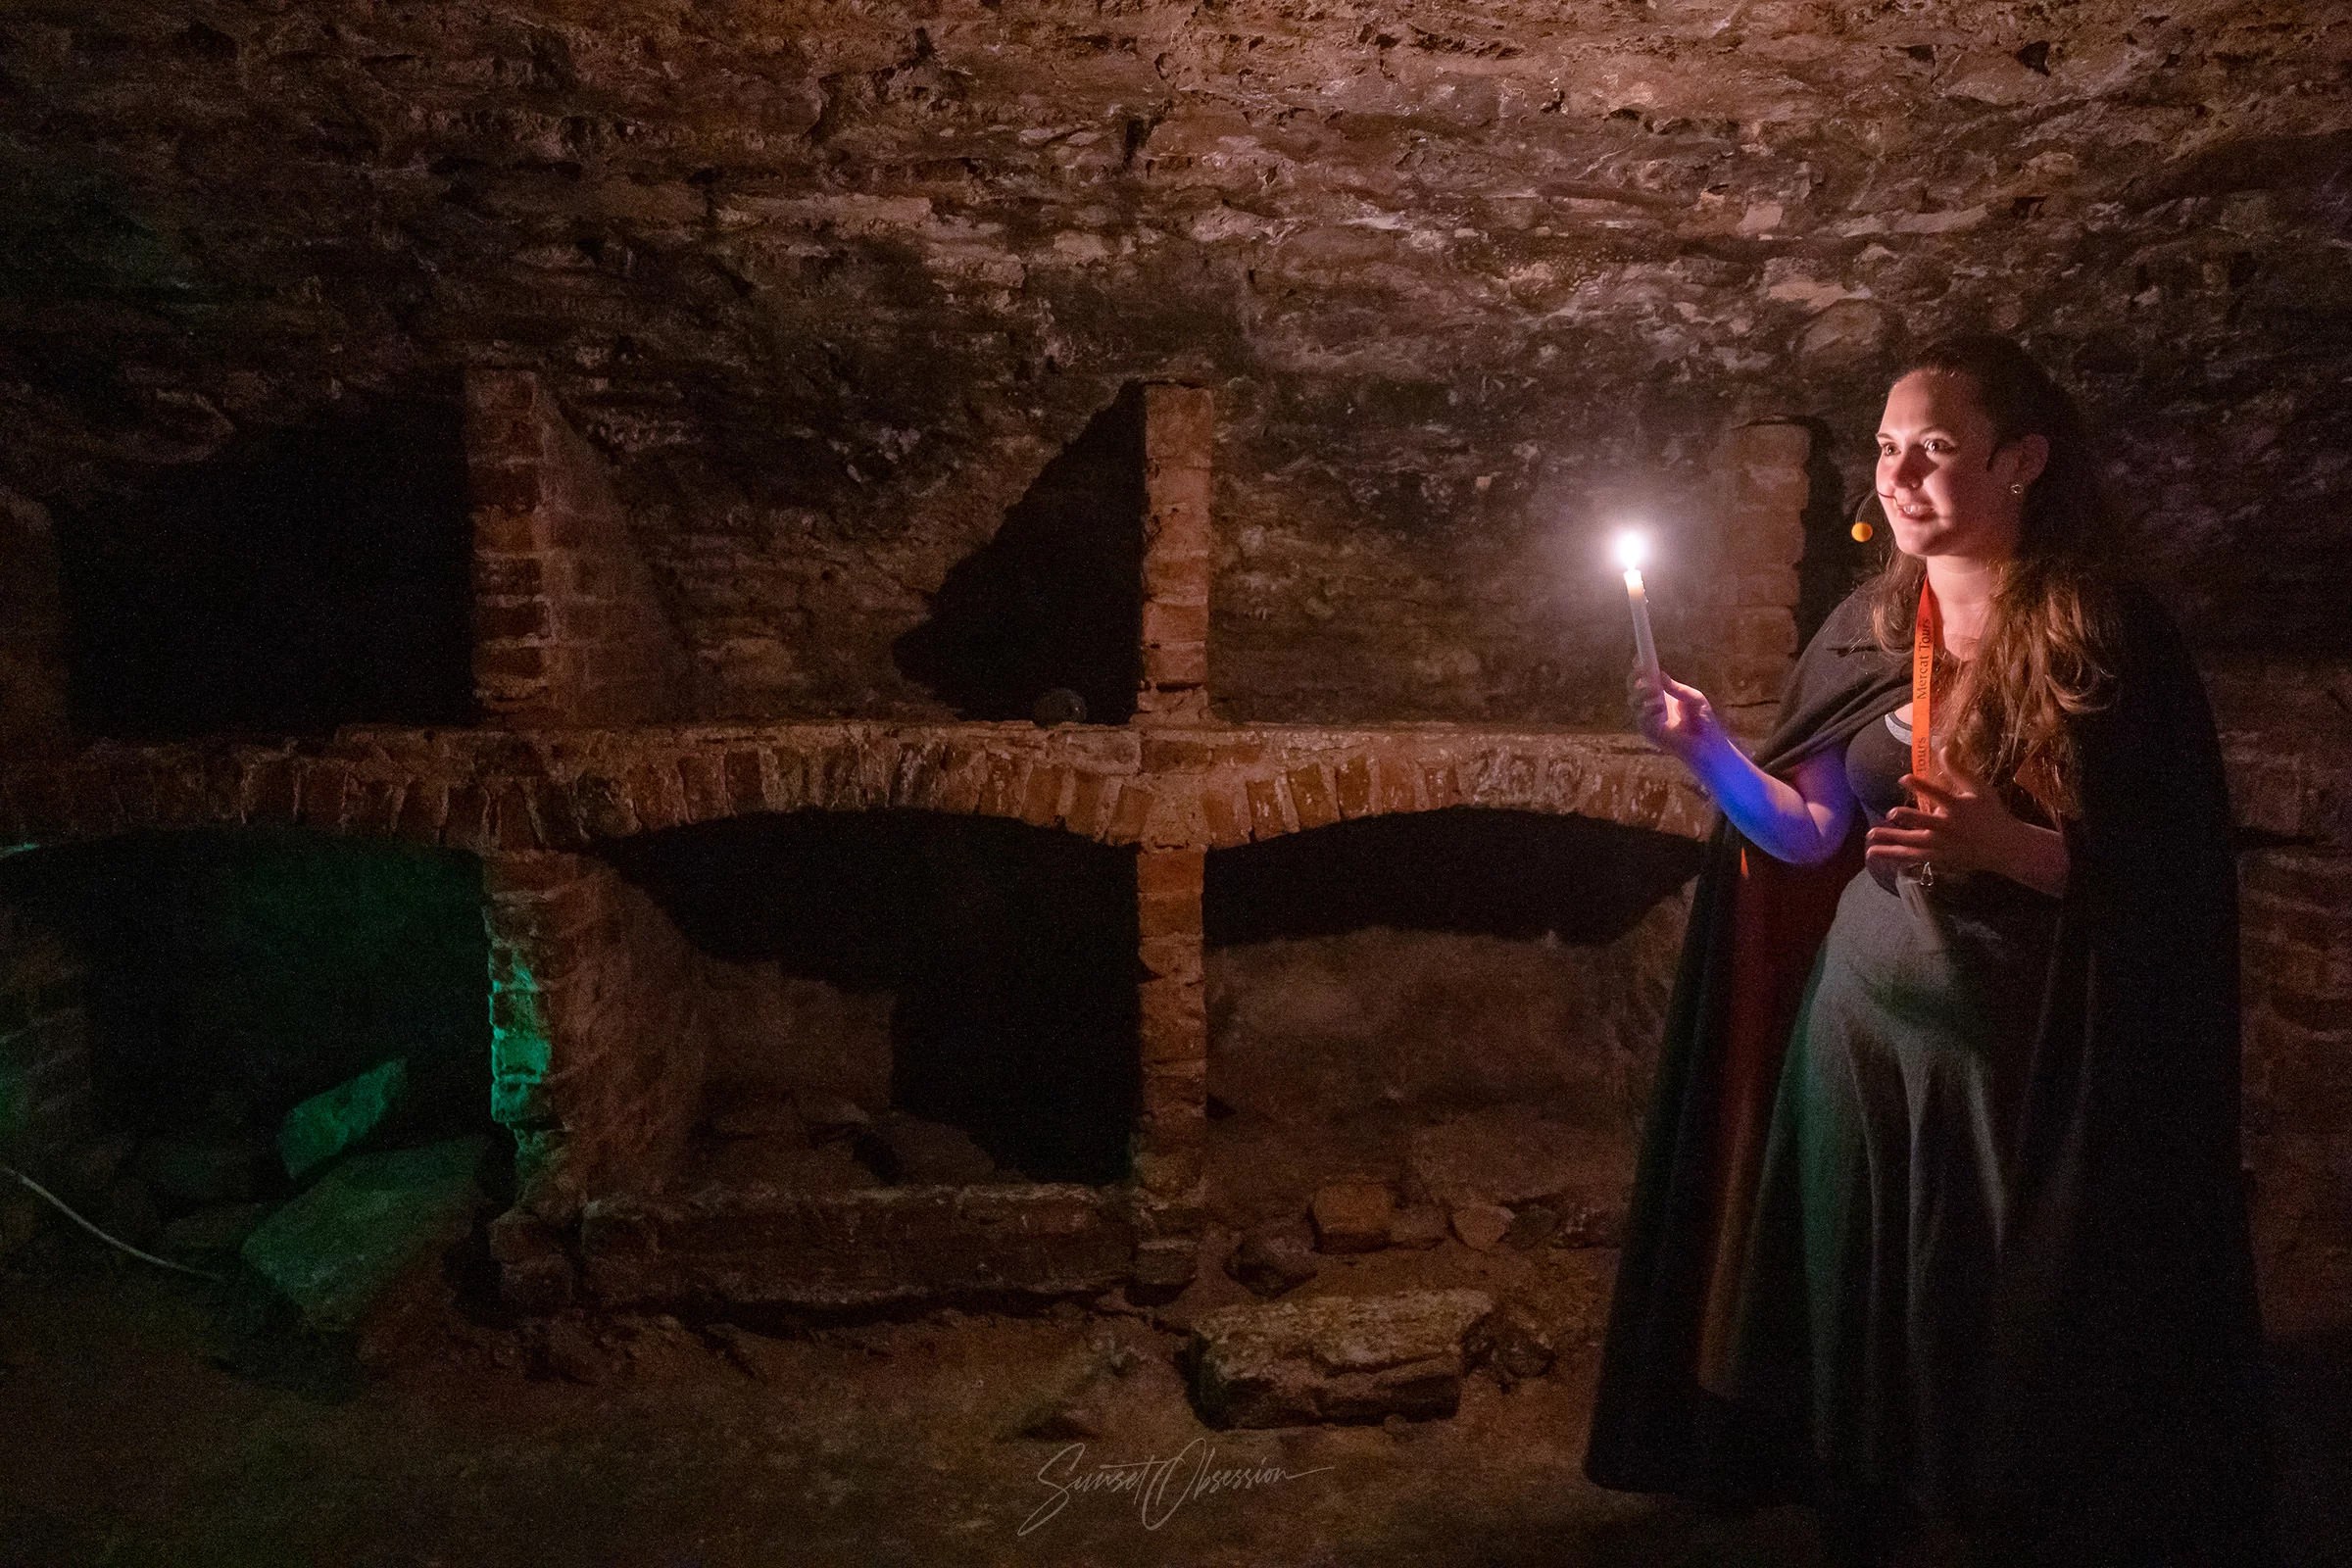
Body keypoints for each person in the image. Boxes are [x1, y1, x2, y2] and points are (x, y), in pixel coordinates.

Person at [1583, 333, 2274, 1566]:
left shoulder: (2104, 638)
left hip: (2016, 1065)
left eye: (1936, 448)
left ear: (2023, 461)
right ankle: (1866, 1507)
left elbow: (2168, 881)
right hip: (1857, 1043)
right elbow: (1805, 835)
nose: (1897, 476)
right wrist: (1706, 750)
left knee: (2002, 1318)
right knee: (1856, 1294)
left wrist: (2005, 845)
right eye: (1889, 447)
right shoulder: (1866, 628)